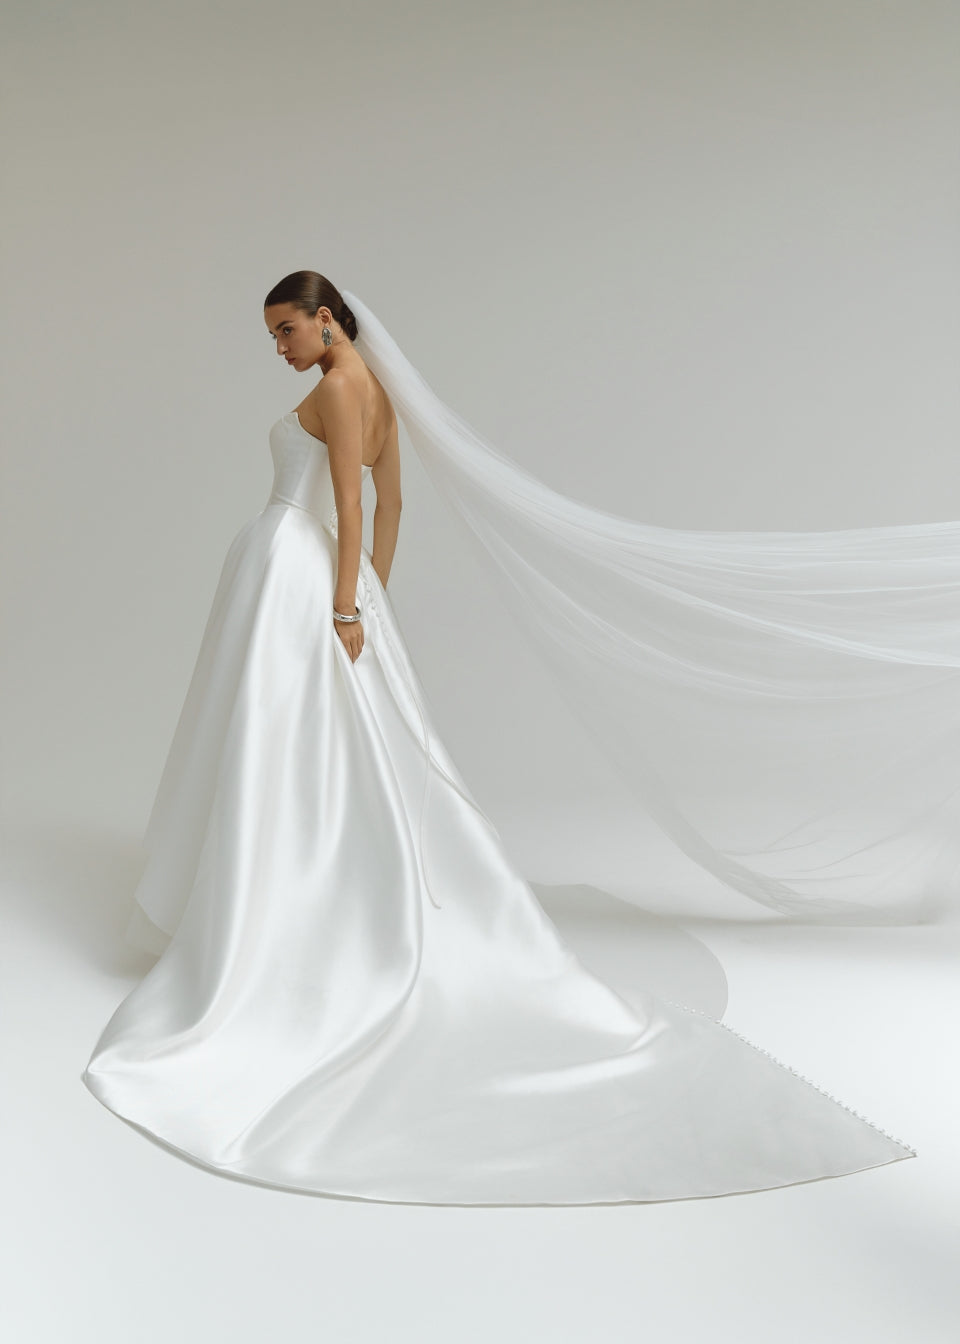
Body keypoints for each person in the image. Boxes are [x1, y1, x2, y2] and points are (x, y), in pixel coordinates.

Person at [81, 272, 916, 1205]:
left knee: (278, 742)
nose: (277, 348)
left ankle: (275, 918)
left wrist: (348, 607)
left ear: (326, 320)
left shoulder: (337, 388)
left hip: (298, 566)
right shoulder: (379, 392)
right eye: (272, 335)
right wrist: (373, 595)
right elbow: (393, 508)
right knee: (317, 747)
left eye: (286, 330)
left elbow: (354, 506)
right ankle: (291, 889)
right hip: (320, 573)